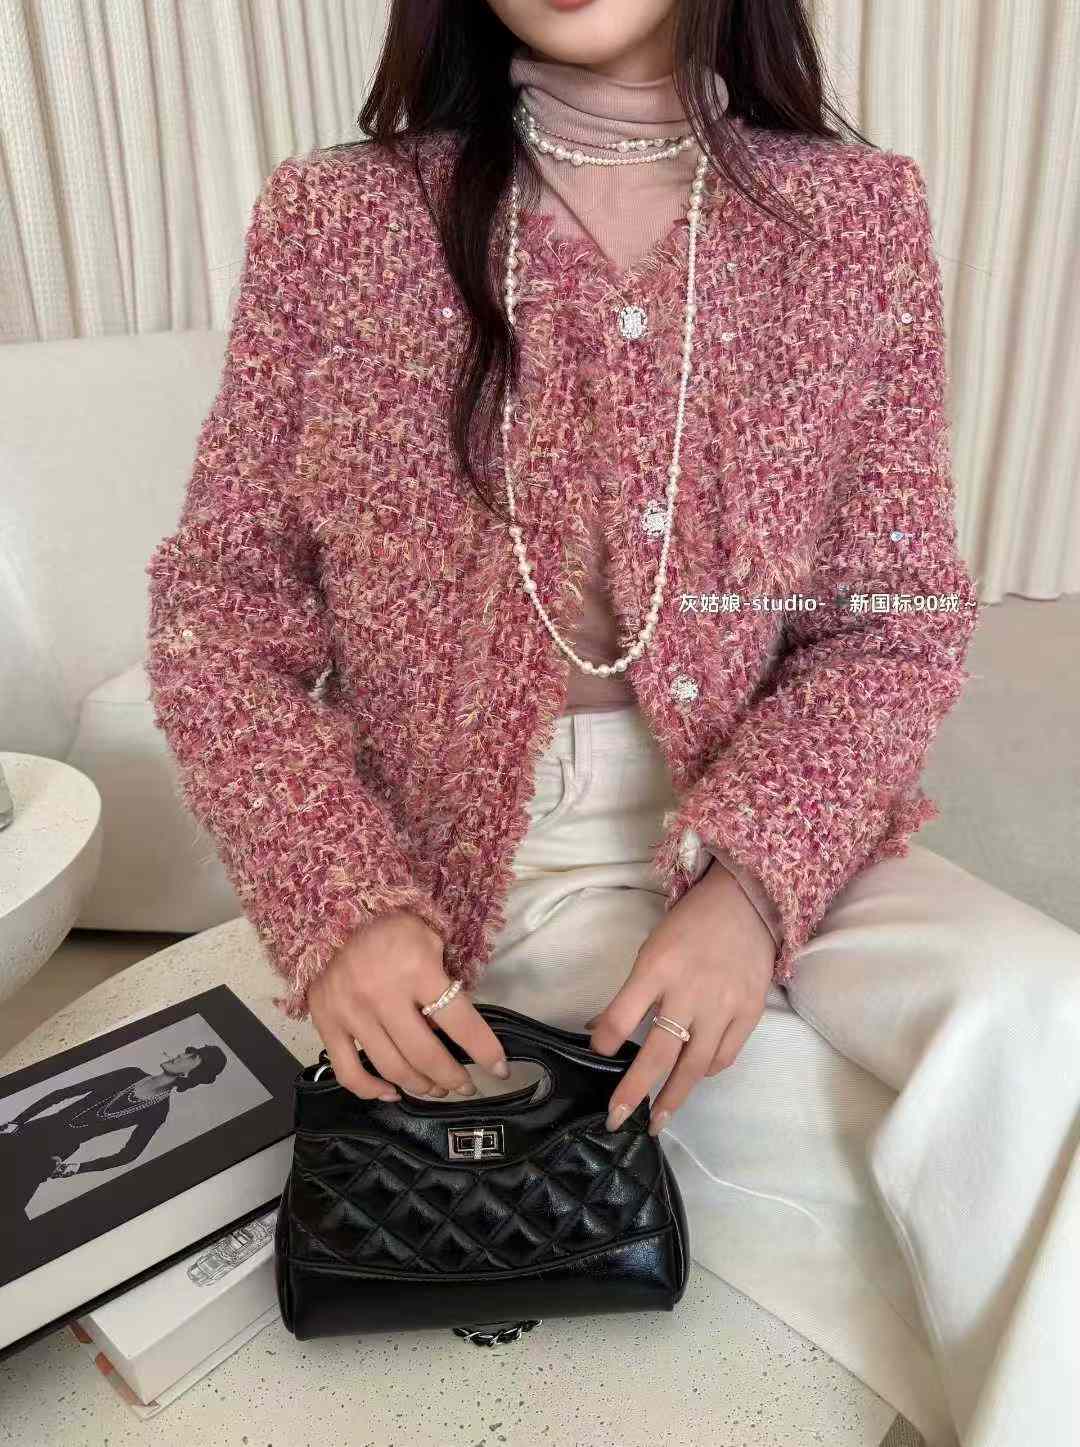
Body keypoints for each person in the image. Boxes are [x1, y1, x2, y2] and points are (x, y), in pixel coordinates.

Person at [144, 2, 1080, 1444]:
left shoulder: (854, 218)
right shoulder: (341, 222)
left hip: (781, 814)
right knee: (803, 1138)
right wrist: (343, 906)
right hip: (476, 857)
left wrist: (754, 887)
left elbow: (894, 620)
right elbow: (219, 616)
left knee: (1045, 1023)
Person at [0, 1045, 227, 1221]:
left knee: (8, 1213)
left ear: (190, 1074)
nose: (180, 1055)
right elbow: (63, 1093)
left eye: (191, 1057)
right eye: (186, 1052)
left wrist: (77, 1168)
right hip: (33, 1131)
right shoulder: (130, 1074)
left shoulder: (158, 1111)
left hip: (53, 1155)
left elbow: (129, 1155)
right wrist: (18, 1121)